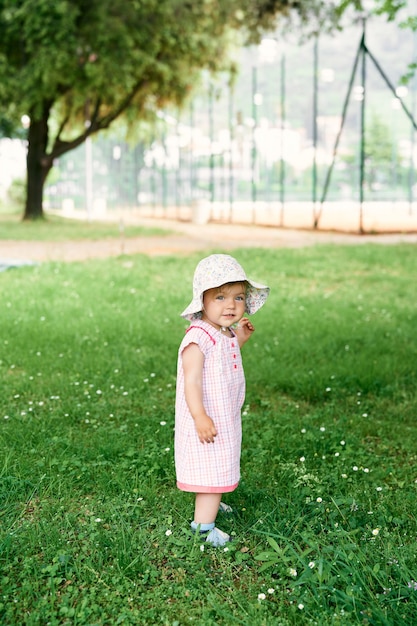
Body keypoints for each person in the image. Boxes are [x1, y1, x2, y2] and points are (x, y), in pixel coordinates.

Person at [175, 254, 269, 546]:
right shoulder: (197, 337)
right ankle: (203, 527)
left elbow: (223, 355)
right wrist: (200, 416)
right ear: (202, 301)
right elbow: (191, 380)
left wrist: (239, 338)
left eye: (239, 297)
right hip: (206, 417)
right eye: (220, 297)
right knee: (211, 466)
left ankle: (211, 499)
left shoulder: (222, 332)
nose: (231, 305)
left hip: (223, 413)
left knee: (220, 462)